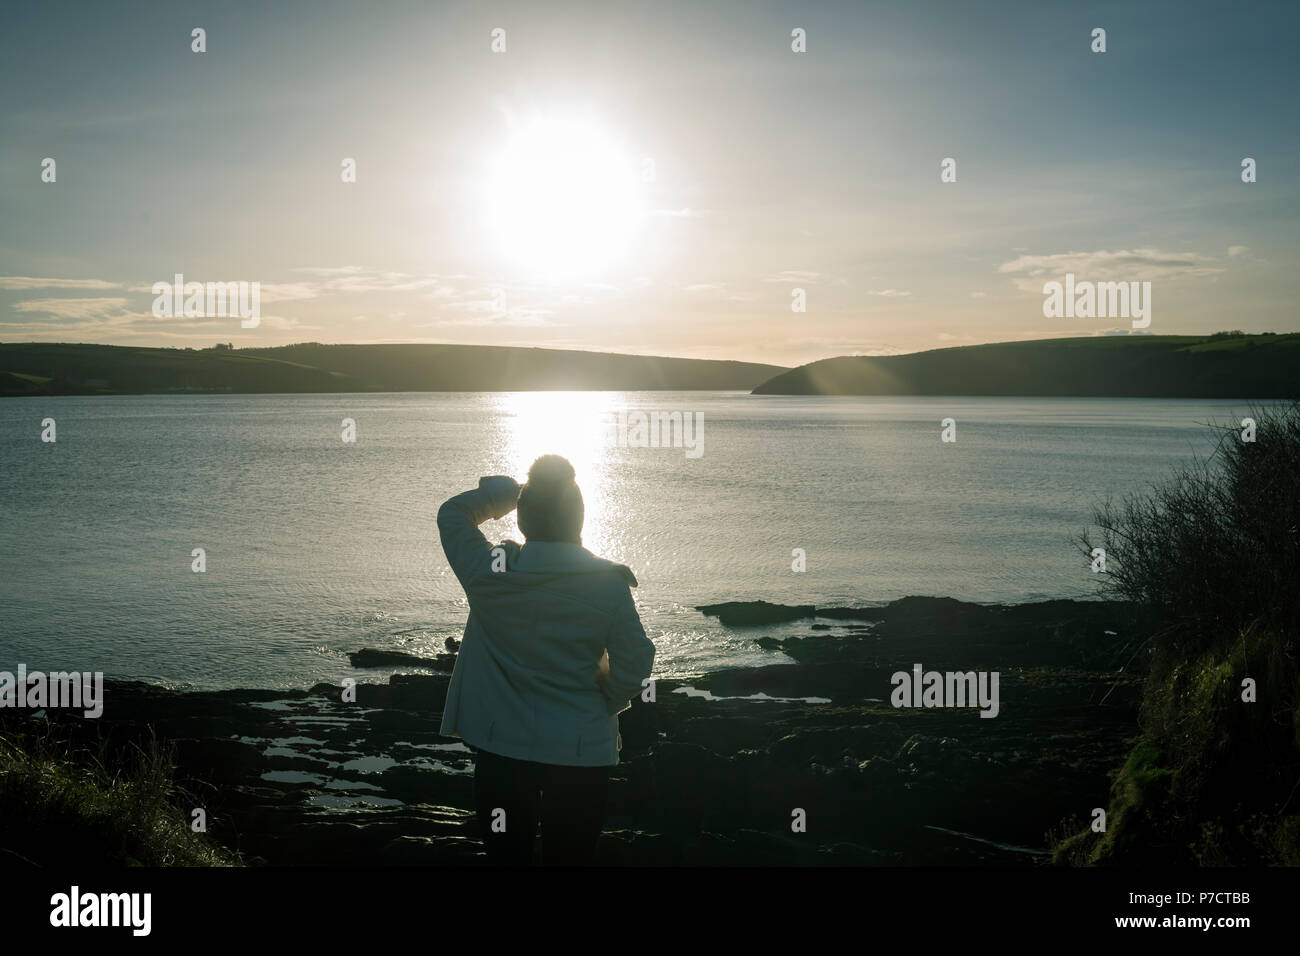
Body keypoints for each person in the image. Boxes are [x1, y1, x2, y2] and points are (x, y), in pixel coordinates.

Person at [437, 454, 655, 865]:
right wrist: (606, 701)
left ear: (522, 519)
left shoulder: (490, 573)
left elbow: (453, 514)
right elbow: (636, 661)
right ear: (579, 519)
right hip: (581, 753)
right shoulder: (608, 584)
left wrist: (505, 494)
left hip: (502, 751)